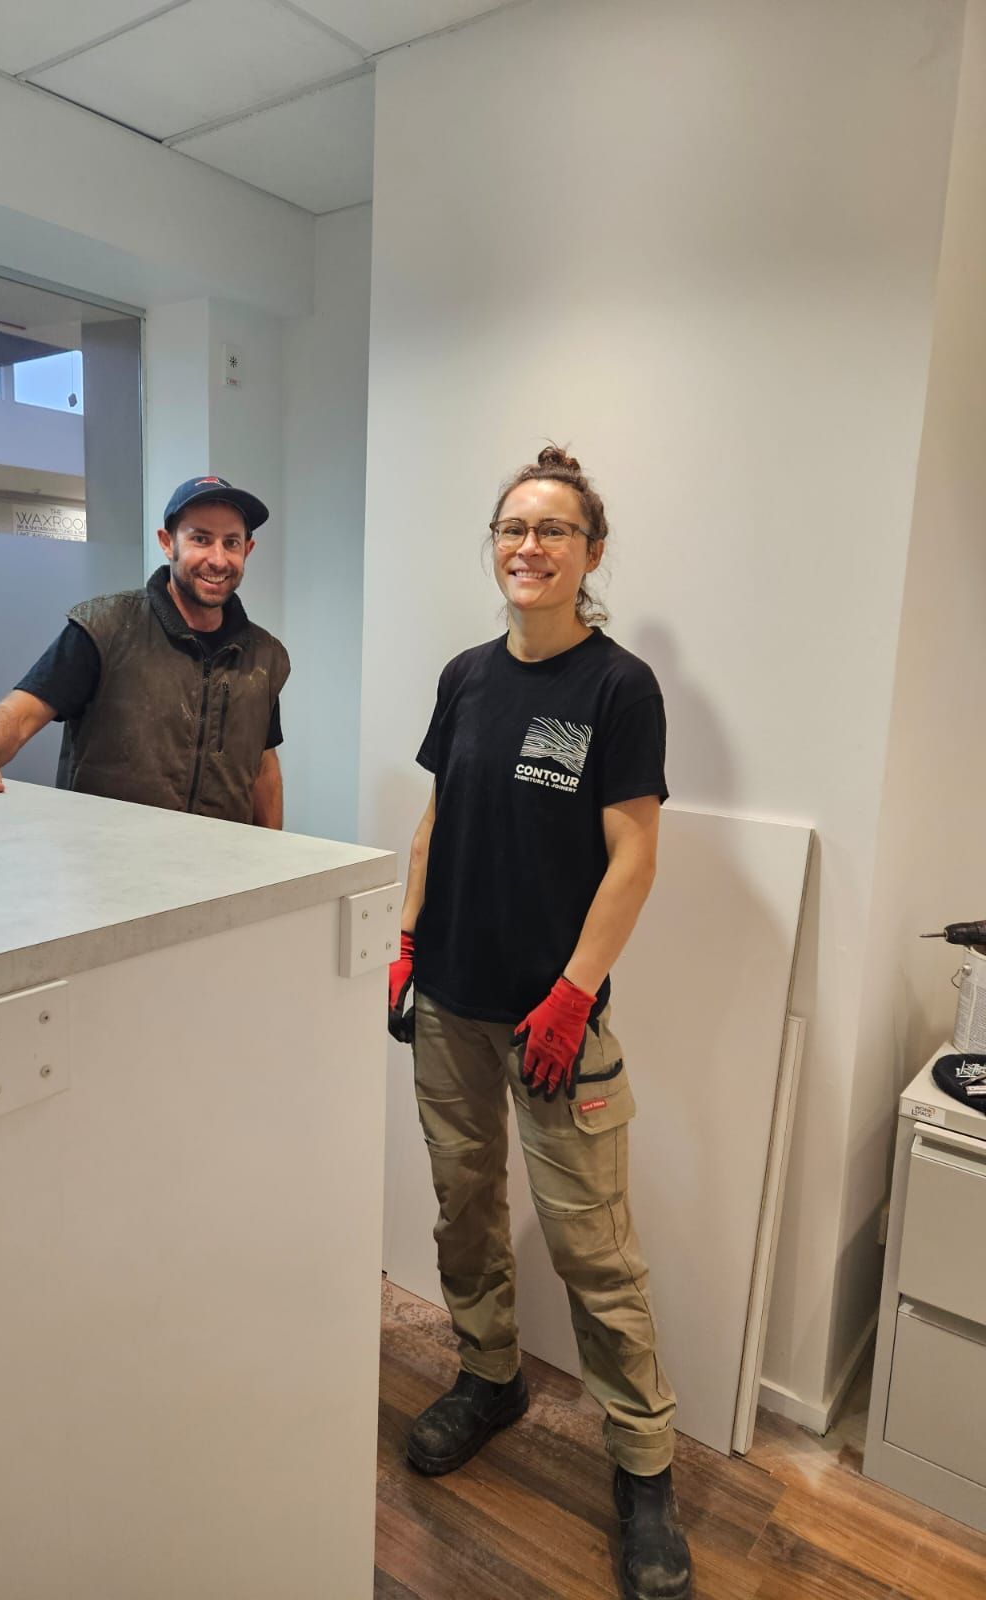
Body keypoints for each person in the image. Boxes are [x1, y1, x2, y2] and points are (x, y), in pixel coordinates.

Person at [387, 446, 692, 1600]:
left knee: (594, 1251)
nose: (530, 545)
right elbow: (433, 821)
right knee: (464, 1209)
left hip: (552, 1021)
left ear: (591, 553)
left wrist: (571, 993)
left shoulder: (619, 687)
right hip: (452, 1005)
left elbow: (636, 854)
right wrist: (408, 941)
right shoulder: (467, 675)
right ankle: (489, 1374)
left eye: (555, 530)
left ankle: (646, 1469)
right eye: (514, 526)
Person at [0, 475, 289, 827]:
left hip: (223, 874)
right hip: (104, 868)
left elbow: (262, 766)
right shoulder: (106, 627)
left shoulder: (264, 656)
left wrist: (275, 859)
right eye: (200, 539)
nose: (217, 559)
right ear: (168, 542)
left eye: (231, 543)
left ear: (247, 550)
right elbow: (18, 714)